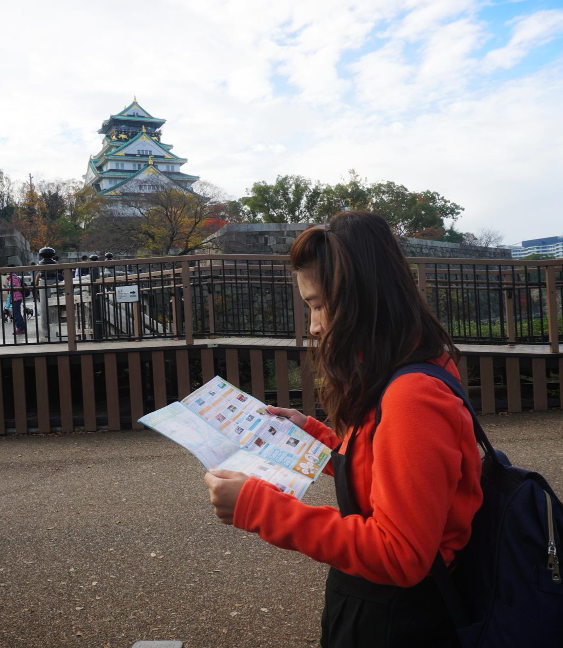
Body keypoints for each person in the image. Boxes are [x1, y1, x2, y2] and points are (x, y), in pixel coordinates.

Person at [203, 211, 483, 647]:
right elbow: (384, 465)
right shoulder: (405, 367)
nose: (313, 325)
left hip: (401, 619)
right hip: (384, 604)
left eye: (317, 305)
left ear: (360, 297)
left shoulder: (412, 398)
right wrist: (312, 434)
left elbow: (400, 554)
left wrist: (258, 506)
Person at [5, 263, 26, 336]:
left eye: (7, 268)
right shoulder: (13, 277)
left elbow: (16, 286)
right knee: (17, 312)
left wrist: (10, 287)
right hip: (16, 297)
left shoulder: (12, 277)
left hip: (16, 297)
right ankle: (22, 327)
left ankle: (20, 328)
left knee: (16, 313)